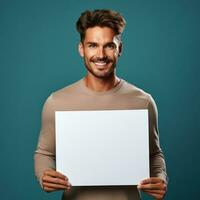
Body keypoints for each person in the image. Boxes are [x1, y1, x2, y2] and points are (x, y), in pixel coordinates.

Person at [34, 9, 168, 200]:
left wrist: (160, 178)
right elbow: (44, 153)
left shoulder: (143, 101)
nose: (101, 54)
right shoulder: (57, 101)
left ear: (120, 48)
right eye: (93, 45)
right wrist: (45, 175)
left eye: (109, 46)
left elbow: (154, 153)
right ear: (81, 49)